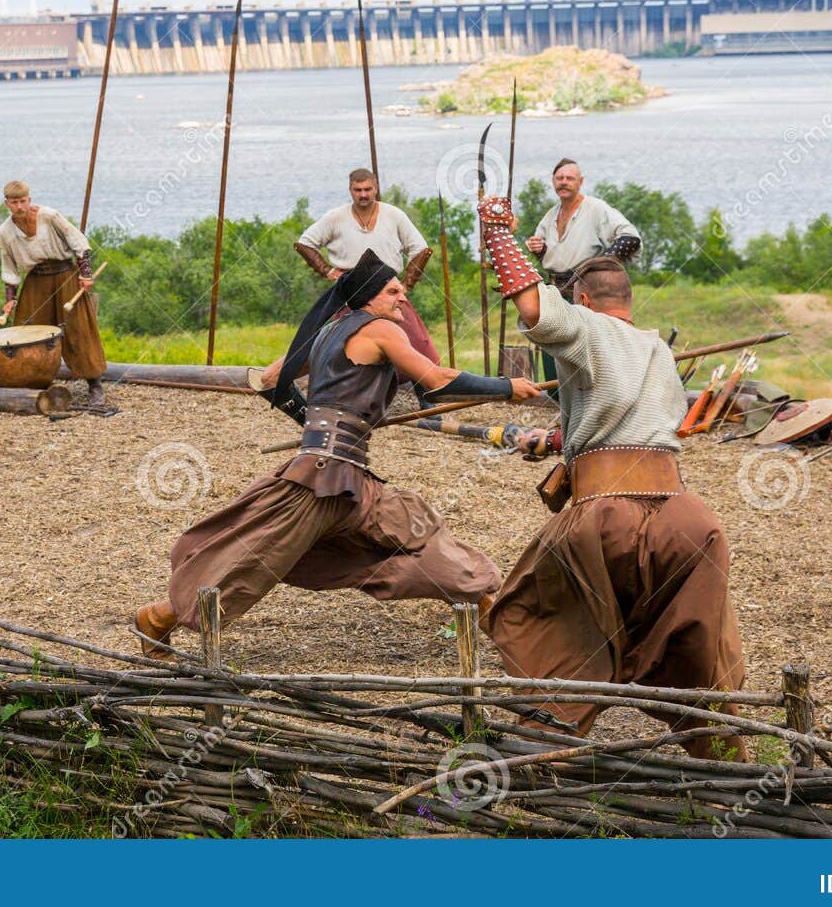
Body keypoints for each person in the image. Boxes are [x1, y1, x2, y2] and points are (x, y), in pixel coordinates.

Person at [134, 250, 541, 656]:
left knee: (415, 530)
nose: (403, 298)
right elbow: (436, 379)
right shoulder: (380, 329)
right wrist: (506, 387)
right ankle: (158, 618)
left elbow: (271, 380)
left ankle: (493, 611)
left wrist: (320, 421)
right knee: (254, 557)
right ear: (370, 297)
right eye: (393, 290)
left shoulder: (329, 332)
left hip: (343, 476)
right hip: (325, 479)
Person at [475, 195, 748, 761]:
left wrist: (498, 231)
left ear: (581, 299)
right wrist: (554, 441)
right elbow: (628, 419)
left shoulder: (586, 328)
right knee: (694, 637)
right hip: (686, 517)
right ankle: (719, 753)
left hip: (607, 513)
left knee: (528, 609)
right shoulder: (656, 349)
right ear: (628, 300)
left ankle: (547, 737)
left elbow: (531, 307)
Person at [296, 168, 440, 366]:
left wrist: (406, 284)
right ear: (350, 189)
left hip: (388, 287)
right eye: (358, 190)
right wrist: (327, 270)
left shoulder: (394, 215)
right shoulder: (335, 217)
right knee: (339, 344)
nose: (363, 194)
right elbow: (304, 244)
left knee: (418, 343)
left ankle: (428, 390)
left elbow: (422, 249)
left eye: (367, 189)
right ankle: (336, 388)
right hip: (351, 291)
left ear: (376, 188)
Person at [524, 159, 642, 382]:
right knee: (553, 346)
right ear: (553, 182)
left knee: (587, 350)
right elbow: (550, 255)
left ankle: (592, 398)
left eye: (569, 178)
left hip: (587, 294)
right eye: (560, 178)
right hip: (555, 293)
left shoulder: (596, 209)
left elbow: (630, 238)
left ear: (580, 181)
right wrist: (539, 249)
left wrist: (599, 266)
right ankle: (557, 399)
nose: (564, 182)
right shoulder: (551, 215)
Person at [0, 180, 107, 407]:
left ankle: (95, 385)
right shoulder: (5, 232)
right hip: (35, 282)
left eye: (23, 201)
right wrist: (10, 299)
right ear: (7, 204)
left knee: (79, 328)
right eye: (14, 202)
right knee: (29, 332)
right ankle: (35, 383)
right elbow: (9, 267)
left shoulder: (49, 216)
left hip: (65, 276)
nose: (20, 207)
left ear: (29, 199)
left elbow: (79, 243)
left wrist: (85, 274)